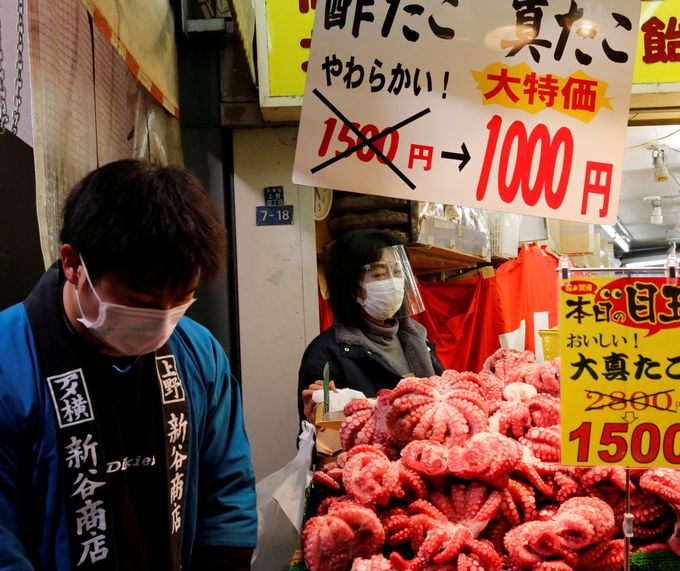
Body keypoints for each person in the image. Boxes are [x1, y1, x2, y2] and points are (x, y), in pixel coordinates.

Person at [0, 160, 257, 569]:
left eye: (181, 300)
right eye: (141, 303)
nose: (163, 319)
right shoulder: (9, 358)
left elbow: (226, 482)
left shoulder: (198, 352)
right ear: (72, 264)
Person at [298, 229, 444, 422]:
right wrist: (322, 408)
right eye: (380, 274)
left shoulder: (417, 338)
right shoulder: (325, 353)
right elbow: (318, 436)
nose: (393, 283)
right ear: (351, 286)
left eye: (398, 272)